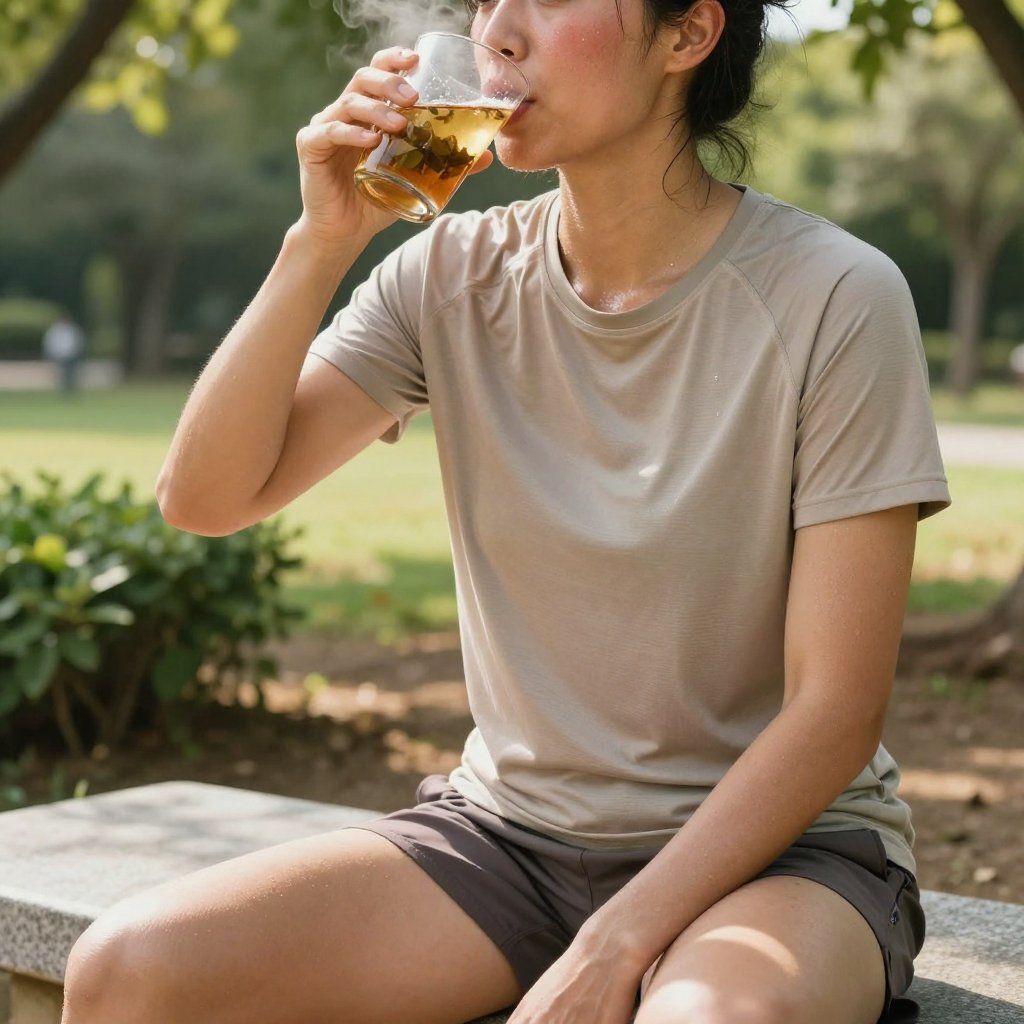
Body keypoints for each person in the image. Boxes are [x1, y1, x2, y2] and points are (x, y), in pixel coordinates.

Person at [63, 2, 952, 1024]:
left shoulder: (834, 294)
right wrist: (320, 240)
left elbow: (836, 709)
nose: (499, 32)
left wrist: (618, 938)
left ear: (685, 35)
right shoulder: (447, 274)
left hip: (780, 858)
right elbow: (207, 499)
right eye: (488, 2)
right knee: (127, 968)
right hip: (509, 841)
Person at [41, 310, 85, 395]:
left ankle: (71, 390)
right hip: (58, 356)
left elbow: (77, 342)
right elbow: (50, 343)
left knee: (71, 374)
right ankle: (63, 390)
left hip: (71, 356)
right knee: (61, 375)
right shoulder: (53, 331)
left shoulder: (72, 330)